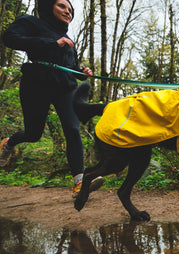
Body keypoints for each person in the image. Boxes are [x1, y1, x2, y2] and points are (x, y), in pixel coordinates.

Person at [0, 0, 103, 197]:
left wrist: (81, 72)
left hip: (64, 88)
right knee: (33, 134)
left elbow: (69, 68)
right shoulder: (32, 23)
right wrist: (52, 43)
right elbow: (9, 38)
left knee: (73, 129)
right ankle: (8, 143)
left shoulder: (68, 40)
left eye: (71, 10)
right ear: (50, 7)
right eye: (62, 6)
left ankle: (80, 183)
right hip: (36, 83)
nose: (68, 12)